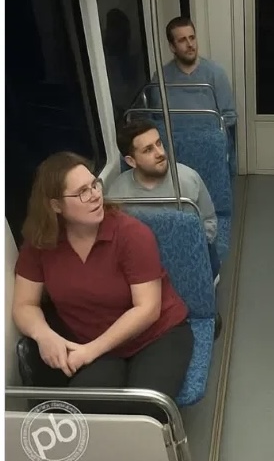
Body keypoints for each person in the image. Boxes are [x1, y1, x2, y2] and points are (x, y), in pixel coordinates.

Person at [12, 151, 194, 417]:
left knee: (146, 411)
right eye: (82, 192)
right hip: (94, 341)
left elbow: (148, 309)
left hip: (156, 336)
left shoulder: (132, 234)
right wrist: (44, 335)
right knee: (84, 409)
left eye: (94, 185)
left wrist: (89, 352)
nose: (95, 195)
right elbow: (24, 304)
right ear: (56, 205)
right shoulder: (41, 243)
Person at [107, 118, 221, 285]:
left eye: (159, 143)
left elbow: (209, 221)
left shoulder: (188, 179)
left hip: (189, 253)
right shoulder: (117, 194)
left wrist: (193, 248)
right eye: (148, 150)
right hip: (143, 261)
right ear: (131, 161)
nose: (160, 153)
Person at [150, 16, 237, 129]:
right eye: (182, 40)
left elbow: (229, 117)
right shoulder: (160, 78)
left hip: (209, 136)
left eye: (192, 38)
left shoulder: (216, 73)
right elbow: (155, 118)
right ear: (172, 47)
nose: (190, 44)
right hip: (173, 138)